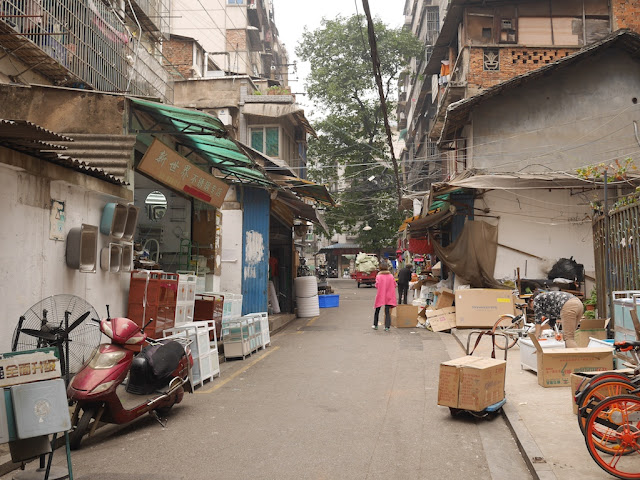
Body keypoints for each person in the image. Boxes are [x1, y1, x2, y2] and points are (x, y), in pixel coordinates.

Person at [372, 261, 397, 332]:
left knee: (377, 310)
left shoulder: (378, 276)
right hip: (389, 296)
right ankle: (387, 327)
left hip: (381, 295)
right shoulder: (391, 276)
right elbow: (395, 285)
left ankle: (375, 325)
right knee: (387, 312)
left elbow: (377, 285)